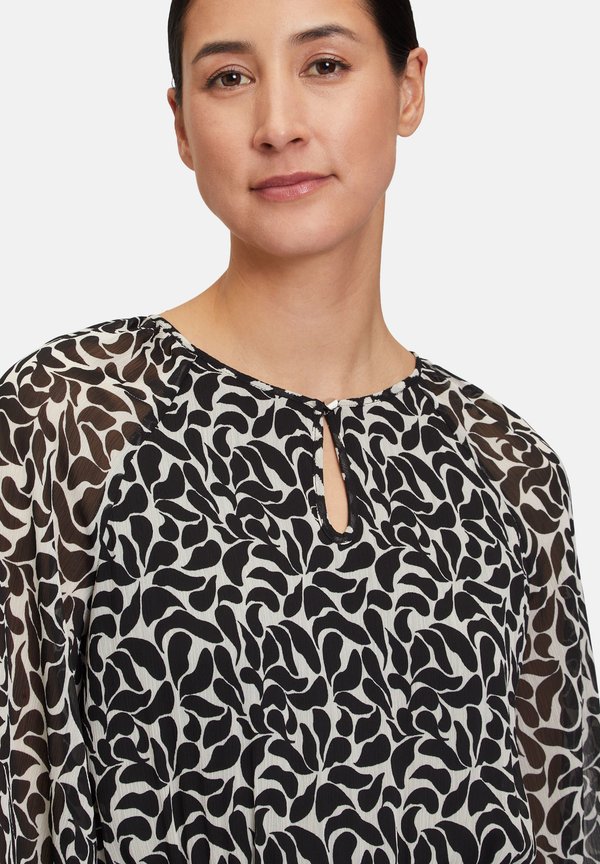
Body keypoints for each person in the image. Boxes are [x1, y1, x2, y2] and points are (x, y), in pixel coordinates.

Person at [1, 0, 599, 861]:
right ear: (181, 124)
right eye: (229, 78)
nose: (278, 124)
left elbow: (562, 821)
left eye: (324, 65)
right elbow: (21, 792)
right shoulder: (70, 418)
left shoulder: (509, 468)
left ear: (409, 88)